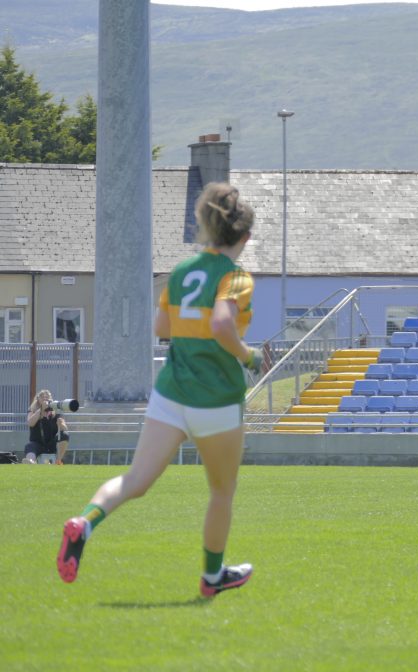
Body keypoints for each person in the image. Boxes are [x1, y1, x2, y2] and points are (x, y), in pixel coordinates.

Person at [57, 182, 264, 597]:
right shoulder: (236, 277)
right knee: (222, 492)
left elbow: (161, 328)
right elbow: (223, 324)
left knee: (135, 480)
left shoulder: (184, 271)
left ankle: (85, 523)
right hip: (216, 398)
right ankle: (211, 577)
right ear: (243, 237)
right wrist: (249, 356)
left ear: (206, 227)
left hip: (170, 393)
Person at [25, 390, 70, 465]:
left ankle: (58, 460)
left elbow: (65, 430)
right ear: (38, 399)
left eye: (47, 397)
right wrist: (41, 410)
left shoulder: (56, 412)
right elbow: (30, 423)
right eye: (42, 397)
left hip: (52, 443)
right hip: (37, 443)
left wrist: (62, 425)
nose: (45, 398)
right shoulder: (32, 411)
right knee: (29, 446)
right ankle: (30, 461)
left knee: (65, 434)